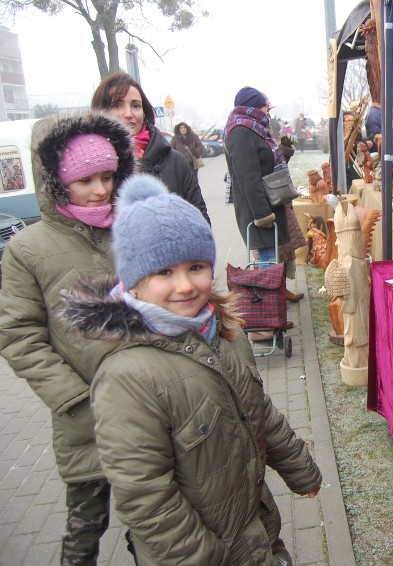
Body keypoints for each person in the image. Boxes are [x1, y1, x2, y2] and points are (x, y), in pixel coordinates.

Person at [60, 175, 323, 565]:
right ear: (133, 283)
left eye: (196, 267)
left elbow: (259, 409)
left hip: (252, 529)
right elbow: (146, 497)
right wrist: (204, 556)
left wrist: (300, 469)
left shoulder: (224, 331)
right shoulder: (126, 376)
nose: (184, 286)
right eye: (163, 272)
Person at [0, 112, 135, 565]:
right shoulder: (27, 249)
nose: (100, 190)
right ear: (56, 181)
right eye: (85, 180)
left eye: (108, 176)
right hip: (86, 415)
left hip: (148, 405)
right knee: (85, 528)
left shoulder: (130, 228)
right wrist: (73, 398)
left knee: (153, 521)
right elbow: (18, 334)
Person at [91, 72, 210, 223]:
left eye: (135, 106)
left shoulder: (174, 161)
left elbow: (200, 221)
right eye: (117, 105)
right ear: (100, 111)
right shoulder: (89, 165)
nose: (128, 114)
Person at [223, 86, 304, 303]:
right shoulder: (240, 132)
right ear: (254, 107)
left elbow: (265, 165)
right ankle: (266, 320)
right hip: (258, 211)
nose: (268, 111)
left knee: (270, 263)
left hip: (266, 206)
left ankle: (271, 315)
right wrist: (262, 215)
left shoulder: (253, 129)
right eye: (265, 106)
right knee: (267, 265)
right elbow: (247, 178)